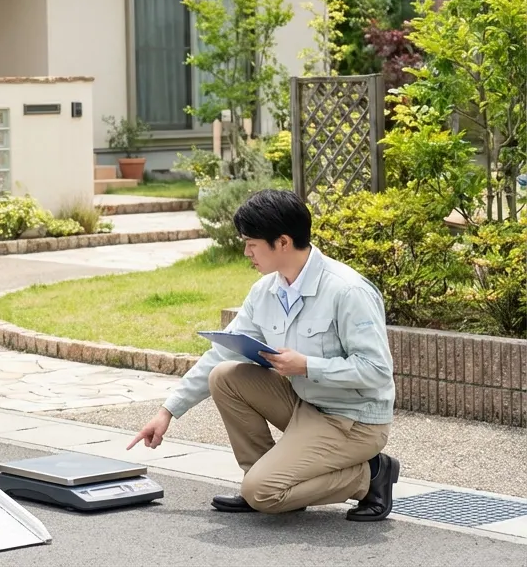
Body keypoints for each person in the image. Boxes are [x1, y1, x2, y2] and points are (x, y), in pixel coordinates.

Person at [128, 188, 400, 521]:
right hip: (306, 405)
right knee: (225, 376)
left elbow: (376, 372)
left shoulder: (347, 290)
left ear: (282, 242)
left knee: (261, 493)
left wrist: (307, 366)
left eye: (252, 244)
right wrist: (167, 411)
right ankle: (265, 479)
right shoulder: (267, 290)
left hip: (354, 421)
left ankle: (370, 475)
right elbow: (221, 353)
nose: (246, 252)